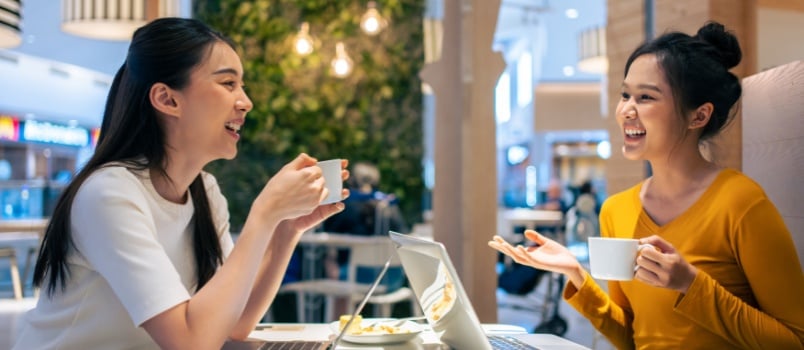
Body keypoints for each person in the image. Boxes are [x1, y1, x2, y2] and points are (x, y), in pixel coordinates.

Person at [14, 18, 350, 349]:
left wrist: (286, 229)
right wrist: (263, 215)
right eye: (228, 84)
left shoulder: (205, 192)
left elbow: (234, 323)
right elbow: (190, 343)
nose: (246, 102)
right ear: (167, 99)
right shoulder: (109, 193)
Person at [489, 21, 804, 349]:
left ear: (698, 116)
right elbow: (632, 336)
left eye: (646, 97)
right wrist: (575, 274)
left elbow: (795, 341)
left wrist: (691, 285)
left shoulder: (741, 203)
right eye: (625, 94)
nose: (626, 110)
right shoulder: (616, 209)